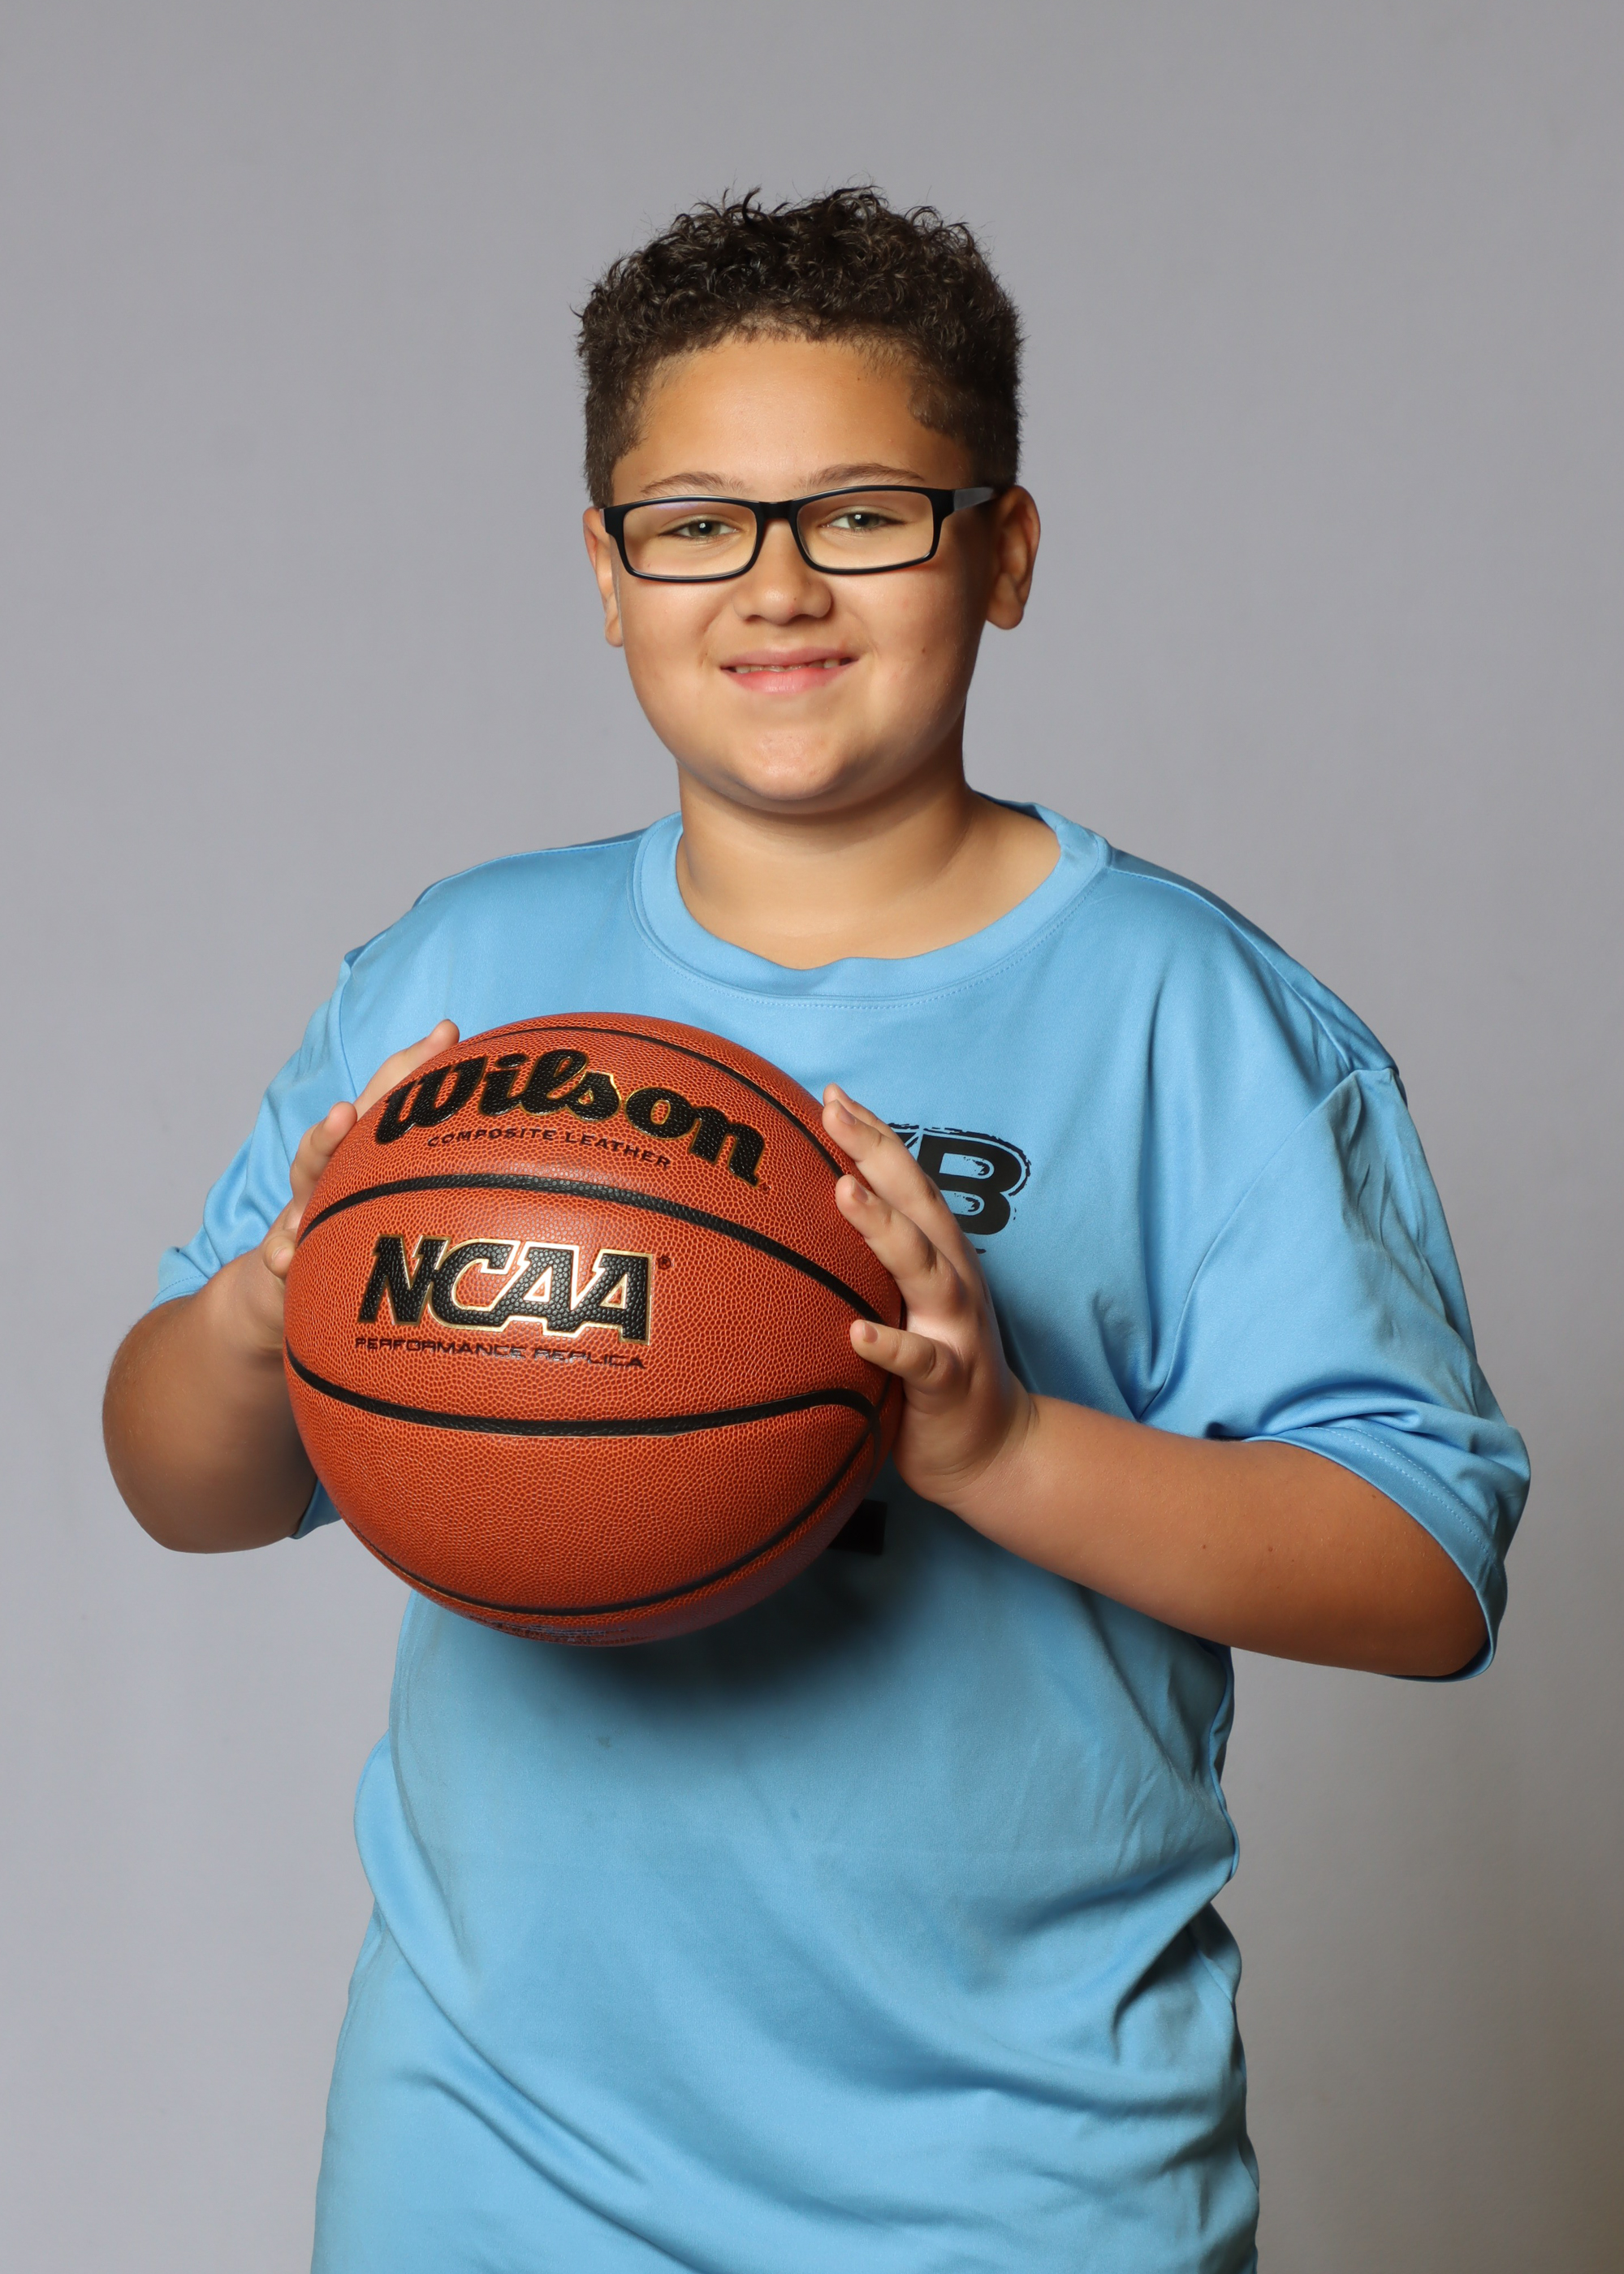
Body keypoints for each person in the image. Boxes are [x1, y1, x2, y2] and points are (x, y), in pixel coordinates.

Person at [104, 188, 1528, 2272]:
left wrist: (1001, 1447)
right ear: (607, 575)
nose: (777, 582)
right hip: (491, 2147)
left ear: (1003, 552)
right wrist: (261, 1310)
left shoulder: (1186, 1013)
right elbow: (183, 1484)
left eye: (864, 513)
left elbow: (1424, 1569)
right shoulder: (460, 982)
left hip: (1013, 2171)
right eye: (695, 523)